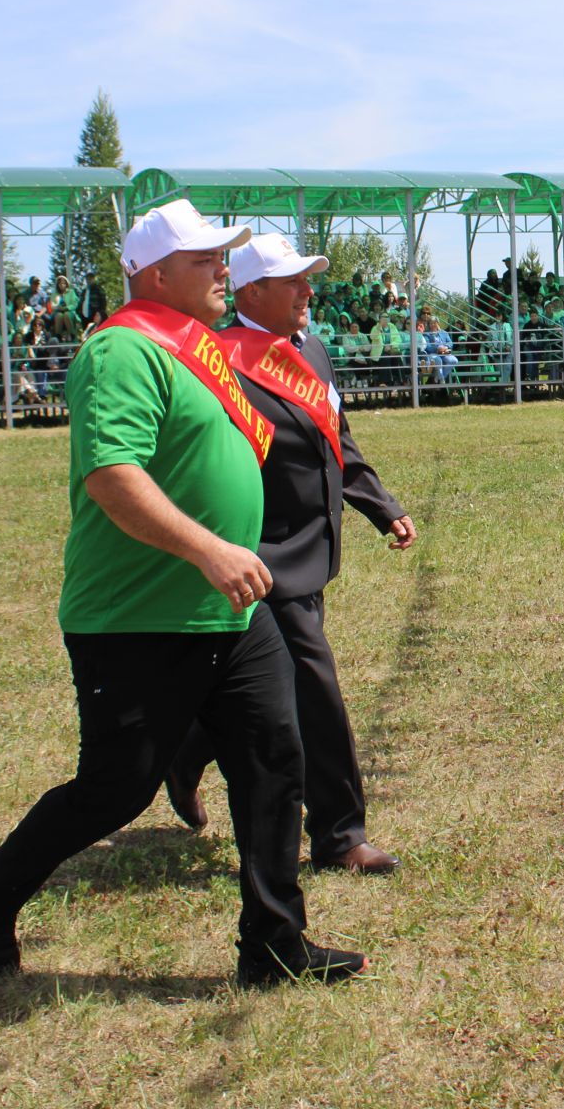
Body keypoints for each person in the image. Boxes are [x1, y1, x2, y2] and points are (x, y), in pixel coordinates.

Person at [0, 200, 366, 986]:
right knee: (115, 789)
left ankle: (274, 946)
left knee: (274, 762)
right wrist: (210, 548)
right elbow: (113, 476)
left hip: (232, 609)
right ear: (155, 273)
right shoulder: (123, 351)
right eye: (207, 260)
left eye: (222, 259)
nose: (222, 271)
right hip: (141, 615)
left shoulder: (197, 349)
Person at [165, 232, 417, 876]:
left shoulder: (313, 349)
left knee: (269, 687)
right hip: (262, 554)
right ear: (254, 292)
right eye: (294, 281)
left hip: (311, 550)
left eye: (309, 279)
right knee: (314, 692)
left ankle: (187, 749)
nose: (309, 290)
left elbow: (339, 442)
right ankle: (339, 835)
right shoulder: (220, 359)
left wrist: (381, 506)